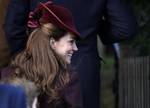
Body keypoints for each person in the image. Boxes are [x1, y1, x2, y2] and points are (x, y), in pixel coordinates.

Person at [4, 0, 137, 108]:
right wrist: (92, 29)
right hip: (83, 69)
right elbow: (125, 27)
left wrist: (27, 60)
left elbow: (12, 27)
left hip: (37, 69)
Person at [2, 1, 83, 108]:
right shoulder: (68, 81)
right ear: (53, 43)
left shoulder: (7, 74)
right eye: (71, 42)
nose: (75, 48)